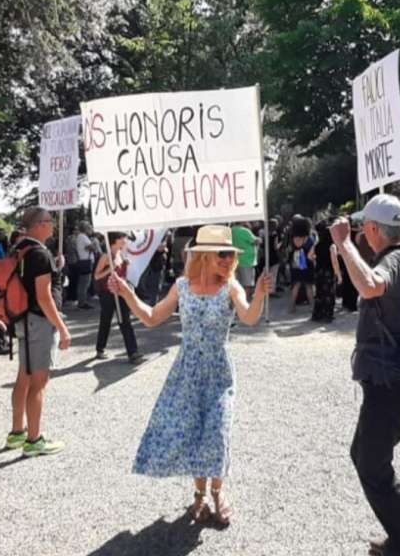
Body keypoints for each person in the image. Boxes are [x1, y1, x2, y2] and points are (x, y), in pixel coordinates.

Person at [108, 225, 269, 527]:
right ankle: (199, 496)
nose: (227, 259)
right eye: (222, 253)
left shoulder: (230, 286)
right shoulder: (182, 285)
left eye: (230, 254)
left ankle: (218, 493)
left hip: (219, 370)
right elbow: (152, 318)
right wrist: (128, 293)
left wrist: (258, 293)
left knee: (217, 433)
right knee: (194, 433)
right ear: (204, 255)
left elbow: (248, 317)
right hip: (186, 371)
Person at [329, 194, 400, 556]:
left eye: (364, 227)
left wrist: (344, 243)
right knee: (363, 455)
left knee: (373, 465)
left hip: (391, 382)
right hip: (394, 380)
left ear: (375, 229)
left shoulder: (393, 260)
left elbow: (370, 286)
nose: (362, 232)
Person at [6, 207, 70, 457]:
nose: (53, 225)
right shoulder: (40, 254)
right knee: (39, 382)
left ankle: (17, 433)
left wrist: (56, 266)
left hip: (23, 320)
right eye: (50, 221)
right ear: (39, 225)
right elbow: (44, 297)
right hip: (38, 322)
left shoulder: (21, 249)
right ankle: (34, 440)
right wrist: (63, 329)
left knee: (24, 376)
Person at [94, 232, 143, 363]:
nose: (126, 240)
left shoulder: (121, 253)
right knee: (106, 319)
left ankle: (133, 352)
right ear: (116, 240)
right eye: (123, 238)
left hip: (120, 291)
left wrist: (124, 264)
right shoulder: (106, 256)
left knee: (125, 320)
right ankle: (100, 348)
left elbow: (121, 273)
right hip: (107, 292)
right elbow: (97, 276)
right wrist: (111, 268)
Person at [311, 219, 337, 322]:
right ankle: (327, 315)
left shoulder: (317, 245)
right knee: (329, 293)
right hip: (329, 271)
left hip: (319, 271)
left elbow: (310, 255)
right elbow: (334, 261)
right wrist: (338, 273)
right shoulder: (332, 245)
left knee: (319, 293)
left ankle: (317, 314)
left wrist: (316, 259)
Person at [289, 229, 315, 313]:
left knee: (296, 285)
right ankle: (312, 306)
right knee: (308, 286)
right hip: (307, 264)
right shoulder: (308, 239)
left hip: (296, 263)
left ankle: (292, 306)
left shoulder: (293, 238)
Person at [231, 222, 259, 300]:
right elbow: (255, 241)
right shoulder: (245, 231)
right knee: (247, 284)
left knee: (236, 283)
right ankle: (244, 302)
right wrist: (259, 239)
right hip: (247, 260)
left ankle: (236, 302)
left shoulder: (230, 230)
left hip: (234, 260)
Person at [75, 222, 96, 308]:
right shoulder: (83, 237)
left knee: (84, 282)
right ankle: (82, 302)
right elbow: (92, 248)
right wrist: (93, 244)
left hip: (84, 261)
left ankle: (82, 300)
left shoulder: (80, 237)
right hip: (86, 261)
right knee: (84, 283)